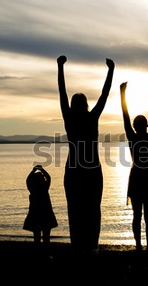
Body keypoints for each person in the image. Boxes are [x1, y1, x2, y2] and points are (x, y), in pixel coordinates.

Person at [57, 55, 115, 254]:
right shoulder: (89, 118)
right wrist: (110, 71)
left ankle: (84, 245)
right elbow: (104, 95)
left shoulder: (74, 118)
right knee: (90, 210)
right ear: (85, 105)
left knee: (79, 210)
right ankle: (90, 245)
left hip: (79, 170)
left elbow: (62, 94)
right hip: (86, 170)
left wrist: (60, 67)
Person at [120, 81, 148, 252]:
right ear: (144, 126)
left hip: (140, 177)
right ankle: (145, 247)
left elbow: (126, 117)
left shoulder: (134, 136)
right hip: (143, 177)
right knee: (144, 216)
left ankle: (143, 246)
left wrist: (123, 95)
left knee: (139, 216)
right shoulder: (147, 136)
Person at [23, 165, 58, 244]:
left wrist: (33, 171)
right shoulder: (44, 189)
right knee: (46, 237)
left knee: (37, 236)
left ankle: (38, 252)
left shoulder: (33, 189)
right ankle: (45, 251)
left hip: (35, 214)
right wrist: (42, 170)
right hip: (46, 214)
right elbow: (48, 178)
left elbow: (28, 180)